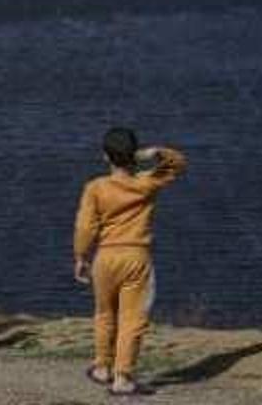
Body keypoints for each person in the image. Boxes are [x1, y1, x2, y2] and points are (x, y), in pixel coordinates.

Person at [74, 127, 188, 396]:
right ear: (134, 155)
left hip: (105, 257)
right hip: (136, 256)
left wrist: (80, 256)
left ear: (105, 157)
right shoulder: (146, 183)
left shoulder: (95, 188)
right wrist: (156, 152)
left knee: (104, 314)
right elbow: (178, 164)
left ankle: (102, 366)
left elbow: (85, 226)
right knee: (132, 319)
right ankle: (123, 377)